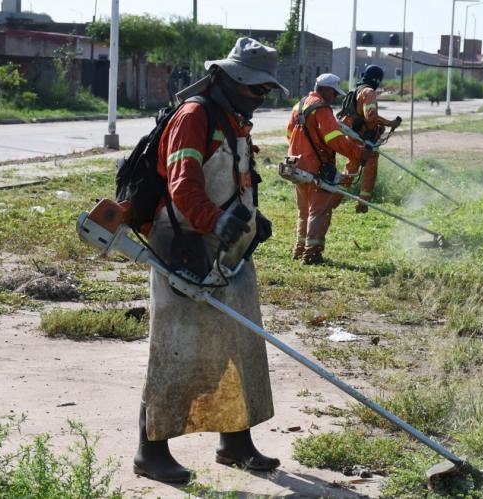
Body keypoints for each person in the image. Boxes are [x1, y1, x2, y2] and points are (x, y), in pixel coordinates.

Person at [135, 37, 285, 483]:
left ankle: (235, 443)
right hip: (183, 246)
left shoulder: (235, 120)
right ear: (230, 80)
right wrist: (214, 221)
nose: (260, 98)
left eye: (265, 91)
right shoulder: (194, 117)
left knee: (239, 341)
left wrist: (253, 218)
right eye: (255, 89)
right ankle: (150, 452)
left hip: (227, 249)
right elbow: (183, 188)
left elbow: (235, 179)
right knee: (174, 349)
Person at [286, 73, 372, 264]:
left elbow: (289, 133)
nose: (334, 98)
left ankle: (299, 249)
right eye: (333, 93)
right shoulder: (322, 109)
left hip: (296, 165)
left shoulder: (299, 105)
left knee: (304, 211)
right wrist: (359, 153)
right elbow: (334, 139)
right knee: (320, 211)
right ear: (325, 90)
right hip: (317, 168)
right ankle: (312, 253)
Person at [339, 64, 402, 213]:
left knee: (351, 169)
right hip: (366, 141)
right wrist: (389, 123)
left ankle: (334, 197)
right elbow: (370, 116)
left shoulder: (356, 90)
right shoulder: (369, 92)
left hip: (353, 137)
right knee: (370, 171)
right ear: (377, 79)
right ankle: (362, 204)